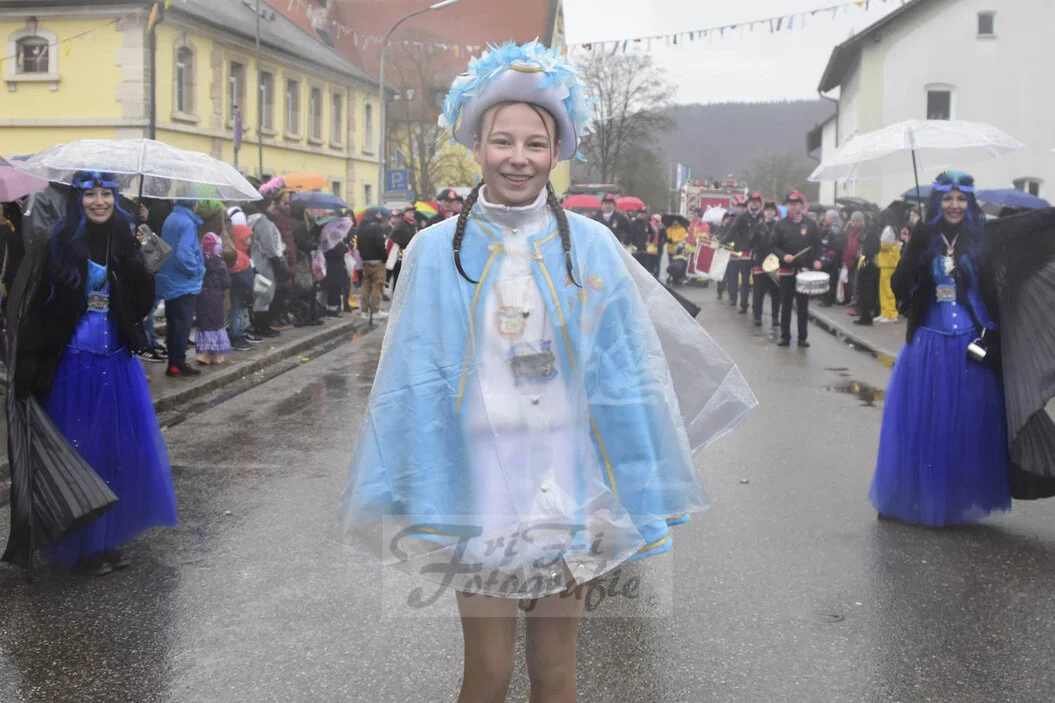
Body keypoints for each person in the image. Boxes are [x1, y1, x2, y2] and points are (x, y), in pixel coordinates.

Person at [337, 41, 754, 703]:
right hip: (478, 488)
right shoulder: (432, 250)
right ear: (476, 144)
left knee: (557, 668)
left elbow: (627, 370)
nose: (518, 157)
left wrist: (634, 469)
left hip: (570, 485)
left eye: (535, 143)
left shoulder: (592, 246)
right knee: (487, 670)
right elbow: (412, 379)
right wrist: (416, 480)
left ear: (556, 151)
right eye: (502, 141)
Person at [3, 170, 176, 575]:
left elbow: (141, 304)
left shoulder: (125, 240)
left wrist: (141, 259)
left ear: (116, 198)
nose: (99, 201)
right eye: (90, 194)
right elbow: (36, 311)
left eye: (106, 194)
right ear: (77, 200)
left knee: (117, 453)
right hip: (73, 366)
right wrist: (28, 368)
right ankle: (82, 547)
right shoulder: (58, 243)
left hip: (118, 363)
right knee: (84, 453)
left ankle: (106, 539)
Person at [869, 171, 1017, 525]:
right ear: (938, 202)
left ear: (969, 202)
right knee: (920, 424)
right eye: (948, 198)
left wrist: (995, 334)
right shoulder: (923, 236)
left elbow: (995, 290)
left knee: (963, 427)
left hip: (968, 344)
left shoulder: (980, 238)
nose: (955, 205)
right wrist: (917, 251)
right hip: (928, 343)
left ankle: (952, 501)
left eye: (961, 198)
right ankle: (907, 498)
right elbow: (898, 285)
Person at [156, 198, 205, 378]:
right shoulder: (187, 223)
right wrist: (197, 269)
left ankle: (174, 362)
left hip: (170, 279)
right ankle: (177, 363)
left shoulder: (171, 218)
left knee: (173, 323)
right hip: (183, 282)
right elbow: (184, 254)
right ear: (194, 203)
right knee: (182, 325)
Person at [772, 190, 822, 347]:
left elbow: (818, 245)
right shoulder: (780, 224)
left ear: (801, 205)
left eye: (796, 204)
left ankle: (802, 337)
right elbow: (773, 246)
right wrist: (783, 256)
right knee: (786, 304)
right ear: (787, 206)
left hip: (804, 271)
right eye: (790, 204)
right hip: (786, 270)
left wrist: (817, 260)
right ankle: (785, 336)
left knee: (803, 306)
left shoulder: (811, 224)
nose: (793, 207)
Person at [247, 192, 291, 338]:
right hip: (264, 262)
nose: (273, 206)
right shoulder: (263, 222)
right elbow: (268, 245)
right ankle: (261, 326)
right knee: (265, 293)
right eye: (271, 204)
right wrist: (277, 259)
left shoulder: (254, 220)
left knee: (261, 293)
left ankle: (261, 325)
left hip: (258, 260)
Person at [721, 191, 763, 313]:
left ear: (760, 203)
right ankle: (744, 305)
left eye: (756, 201)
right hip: (745, 253)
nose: (754, 203)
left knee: (758, 283)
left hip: (758, 254)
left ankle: (756, 308)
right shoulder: (742, 217)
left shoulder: (763, 217)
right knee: (744, 281)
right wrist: (722, 242)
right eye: (752, 201)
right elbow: (732, 230)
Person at [194, 232, 232, 364]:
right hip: (215, 296)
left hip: (200, 295)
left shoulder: (198, 260)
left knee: (204, 324)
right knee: (216, 325)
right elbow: (226, 283)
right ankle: (216, 355)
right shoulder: (220, 263)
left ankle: (202, 354)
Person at [226, 206, 256, 351]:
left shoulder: (241, 254)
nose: (250, 240)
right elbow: (241, 276)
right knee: (237, 313)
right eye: (247, 237)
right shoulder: (240, 257)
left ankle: (238, 333)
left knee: (238, 313)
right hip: (239, 291)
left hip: (240, 291)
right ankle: (236, 335)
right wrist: (250, 289)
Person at [750, 201, 781, 328]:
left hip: (775, 262)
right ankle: (757, 317)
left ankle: (775, 317)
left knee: (775, 291)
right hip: (760, 262)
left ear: (775, 213)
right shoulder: (758, 226)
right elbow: (751, 242)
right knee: (759, 291)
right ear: (764, 212)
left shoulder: (779, 226)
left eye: (772, 210)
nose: (769, 212)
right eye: (767, 210)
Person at [852, 216, 881, 326]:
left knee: (865, 294)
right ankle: (867, 316)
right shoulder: (876, 233)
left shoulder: (870, 234)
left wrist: (861, 266)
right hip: (873, 267)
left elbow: (866, 253)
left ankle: (865, 317)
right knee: (870, 294)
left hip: (868, 268)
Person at [356, 220, 387, 319]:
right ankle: (375, 310)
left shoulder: (361, 230)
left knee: (365, 285)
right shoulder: (377, 228)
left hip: (365, 261)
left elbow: (358, 246)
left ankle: (364, 311)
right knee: (377, 285)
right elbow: (381, 245)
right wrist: (385, 257)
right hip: (377, 261)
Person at [842, 211, 864, 313]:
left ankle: (858, 304)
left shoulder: (862, 232)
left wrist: (858, 259)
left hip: (858, 261)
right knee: (852, 283)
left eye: (856, 221)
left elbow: (862, 248)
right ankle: (854, 300)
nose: (854, 222)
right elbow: (847, 245)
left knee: (857, 283)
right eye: (853, 220)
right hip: (849, 261)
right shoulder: (851, 231)